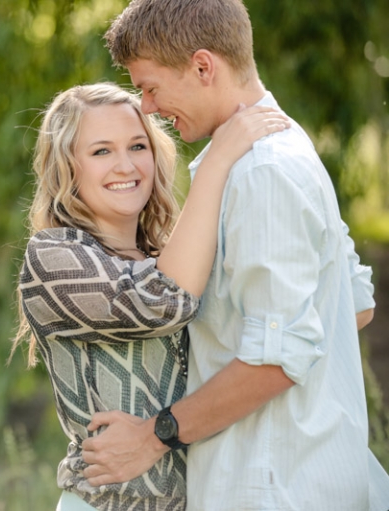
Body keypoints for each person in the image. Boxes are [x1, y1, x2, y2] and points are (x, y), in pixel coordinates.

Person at [80, 1, 389, 510]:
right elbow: (353, 305)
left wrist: (152, 437)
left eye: (152, 87)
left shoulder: (261, 173)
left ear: (203, 67)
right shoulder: (288, 147)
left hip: (271, 486)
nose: (149, 108)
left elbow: (277, 359)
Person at [13, 81, 289, 510]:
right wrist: (218, 159)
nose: (126, 166)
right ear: (68, 167)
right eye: (101, 151)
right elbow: (162, 304)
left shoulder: (172, 256)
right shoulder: (54, 258)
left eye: (138, 146)